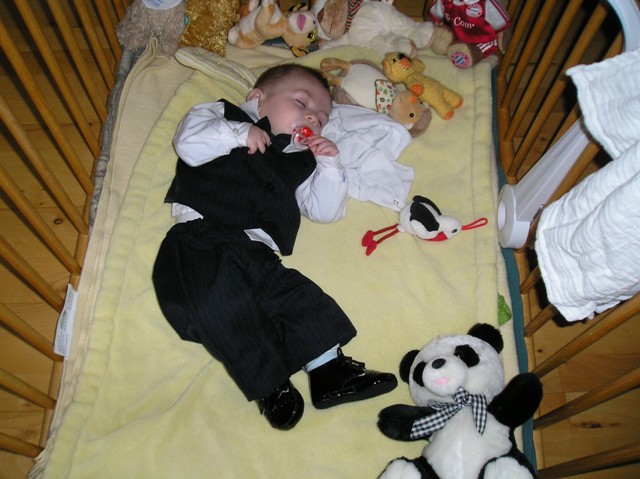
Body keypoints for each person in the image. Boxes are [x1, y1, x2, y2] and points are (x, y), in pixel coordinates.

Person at [152, 64, 397, 431]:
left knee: (297, 297)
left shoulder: (301, 159)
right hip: (200, 239)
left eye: (322, 118)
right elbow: (188, 144)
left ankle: (330, 372)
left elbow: (324, 211)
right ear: (257, 98)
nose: (312, 117)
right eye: (301, 103)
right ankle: (270, 385)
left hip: (257, 251)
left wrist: (329, 166)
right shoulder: (223, 115)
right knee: (223, 308)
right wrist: (239, 133)